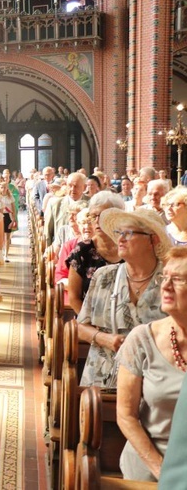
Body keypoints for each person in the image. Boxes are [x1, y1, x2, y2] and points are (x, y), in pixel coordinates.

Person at [76, 208, 170, 388]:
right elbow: (81, 327)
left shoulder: (169, 281)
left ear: (153, 239)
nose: (120, 239)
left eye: (129, 233)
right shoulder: (104, 276)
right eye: (119, 233)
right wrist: (106, 339)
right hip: (104, 380)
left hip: (153, 384)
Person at [117, 247, 187, 481]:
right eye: (164, 277)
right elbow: (126, 415)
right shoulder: (142, 339)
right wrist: (164, 472)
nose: (165, 286)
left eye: (177, 279)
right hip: (150, 469)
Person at [66, 191, 125, 314]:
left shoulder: (129, 247)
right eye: (93, 216)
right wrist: (91, 325)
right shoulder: (83, 250)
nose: (97, 221)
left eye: (103, 215)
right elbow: (74, 298)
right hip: (90, 322)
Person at [0, 180, 17, 262]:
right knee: (0, 236)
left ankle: (6, 255)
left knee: (7, 237)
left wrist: (14, 219)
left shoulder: (10, 196)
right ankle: (0, 253)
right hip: (0, 216)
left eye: (5, 187)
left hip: (8, 216)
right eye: (2, 187)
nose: (3, 189)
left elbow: (13, 208)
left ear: (7, 188)